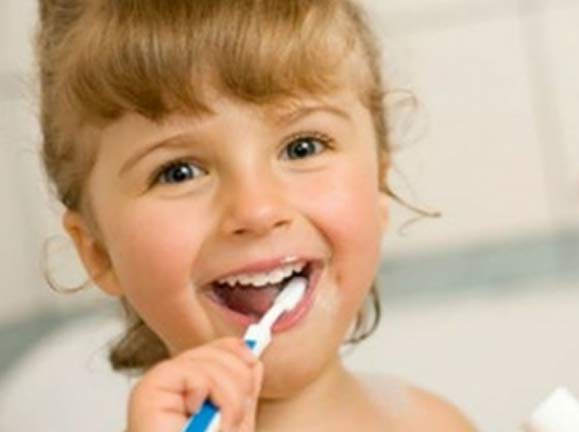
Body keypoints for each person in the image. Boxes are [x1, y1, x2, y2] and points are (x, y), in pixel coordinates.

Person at [36, 0, 477, 430]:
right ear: (98, 253)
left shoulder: (433, 423)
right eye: (178, 172)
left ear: (379, 184)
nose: (257, 209)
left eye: (302, 147)